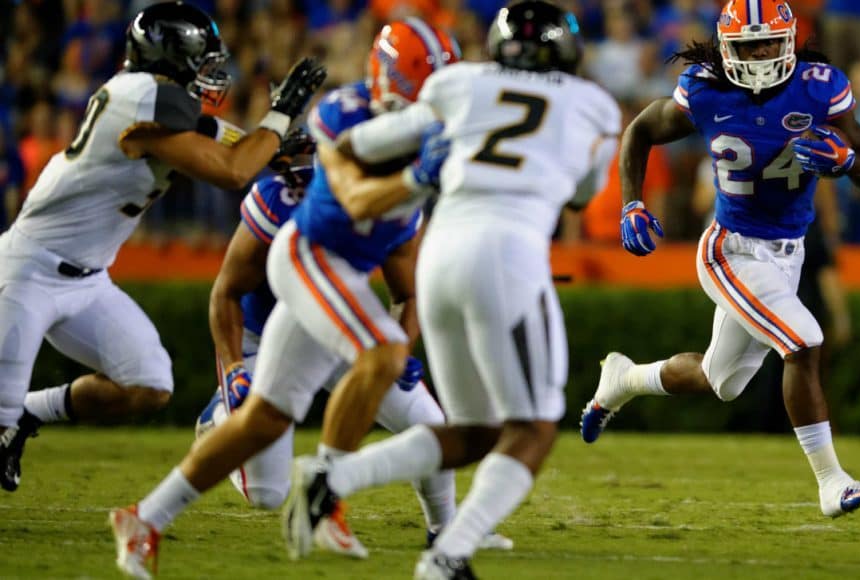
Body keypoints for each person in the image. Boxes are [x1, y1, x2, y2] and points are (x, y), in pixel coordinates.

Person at [108, 17, 463, 580]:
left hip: (336, 294)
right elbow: (354, 197)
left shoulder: (425, 138)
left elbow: (407, 283)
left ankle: (143, 518)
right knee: (377, 359)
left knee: (387, 416)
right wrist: (418, 178)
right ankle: (325, 487)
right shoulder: (343, 118)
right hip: (308, 264)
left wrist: (408, 331)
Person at [280, 2, 620, 578]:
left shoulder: (458, 82)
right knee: (533, 430)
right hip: (509, 253)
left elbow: (357, 144)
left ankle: (331, 478)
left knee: (473, 433)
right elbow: (583, 196)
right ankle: (448, 555)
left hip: (439, 252)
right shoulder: (596, 105)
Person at [0, 1, 325, 493]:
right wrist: (278, 117)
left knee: (149, 384)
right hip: (27, 272)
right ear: (172, 57)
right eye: (201, 61)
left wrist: (278, 148)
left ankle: (29, 412)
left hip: (89, 280)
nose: (210, 73)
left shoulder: (148, 96)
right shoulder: (144, 97)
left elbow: (225, 139)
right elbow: (231, 169)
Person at [579, 0, 860, 519]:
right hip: (731, 249)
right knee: (804, 340)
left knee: (720, 381)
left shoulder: (820, 86)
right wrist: (632, 201)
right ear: (728, 49)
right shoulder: (704, 88)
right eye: (752, 45)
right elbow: (640, 131)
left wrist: (848, 161)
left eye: (771, 42)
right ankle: (831, 484)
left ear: (789, 40)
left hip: (789, 252)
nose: (764, 54)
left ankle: (624, 378)